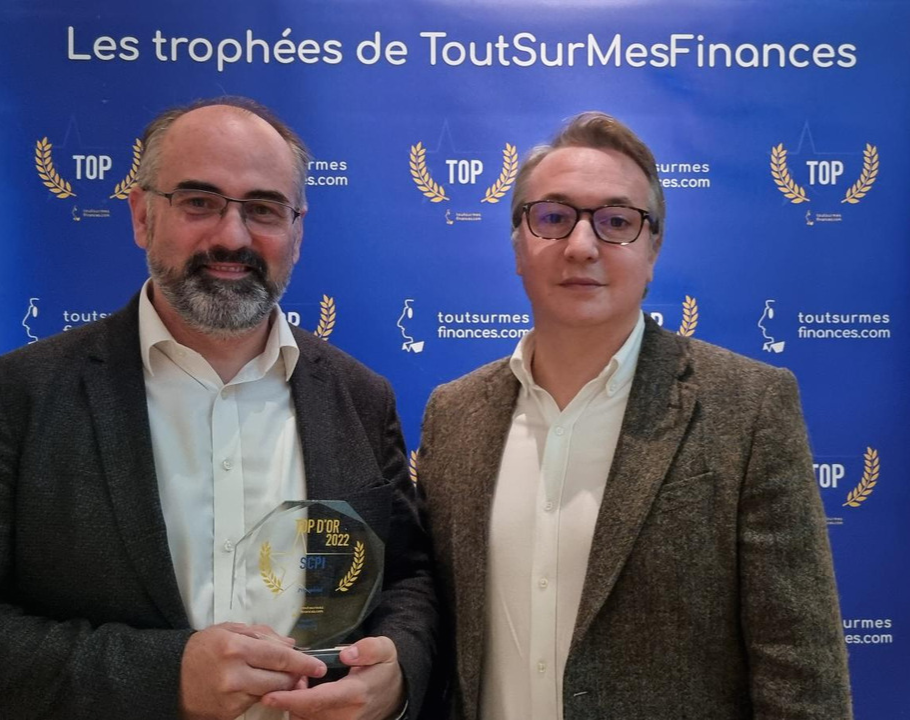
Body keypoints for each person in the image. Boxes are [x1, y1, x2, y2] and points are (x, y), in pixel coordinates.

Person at [0, 96, 436, 720]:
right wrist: (166, 677)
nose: (232, 237)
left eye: (263, 209)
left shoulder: (361, 397)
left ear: (297, 233)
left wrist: (398, 674)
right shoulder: (22, 395)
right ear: (142, 216)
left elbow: (407, 580)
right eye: (199, 202)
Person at [417, 112, 852, 720]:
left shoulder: (750, 406)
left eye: (617, 221)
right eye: (553, 218)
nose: (581, 246)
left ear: (653, 251)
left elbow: (801, 669)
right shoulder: (453, 413)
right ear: (518, 244)